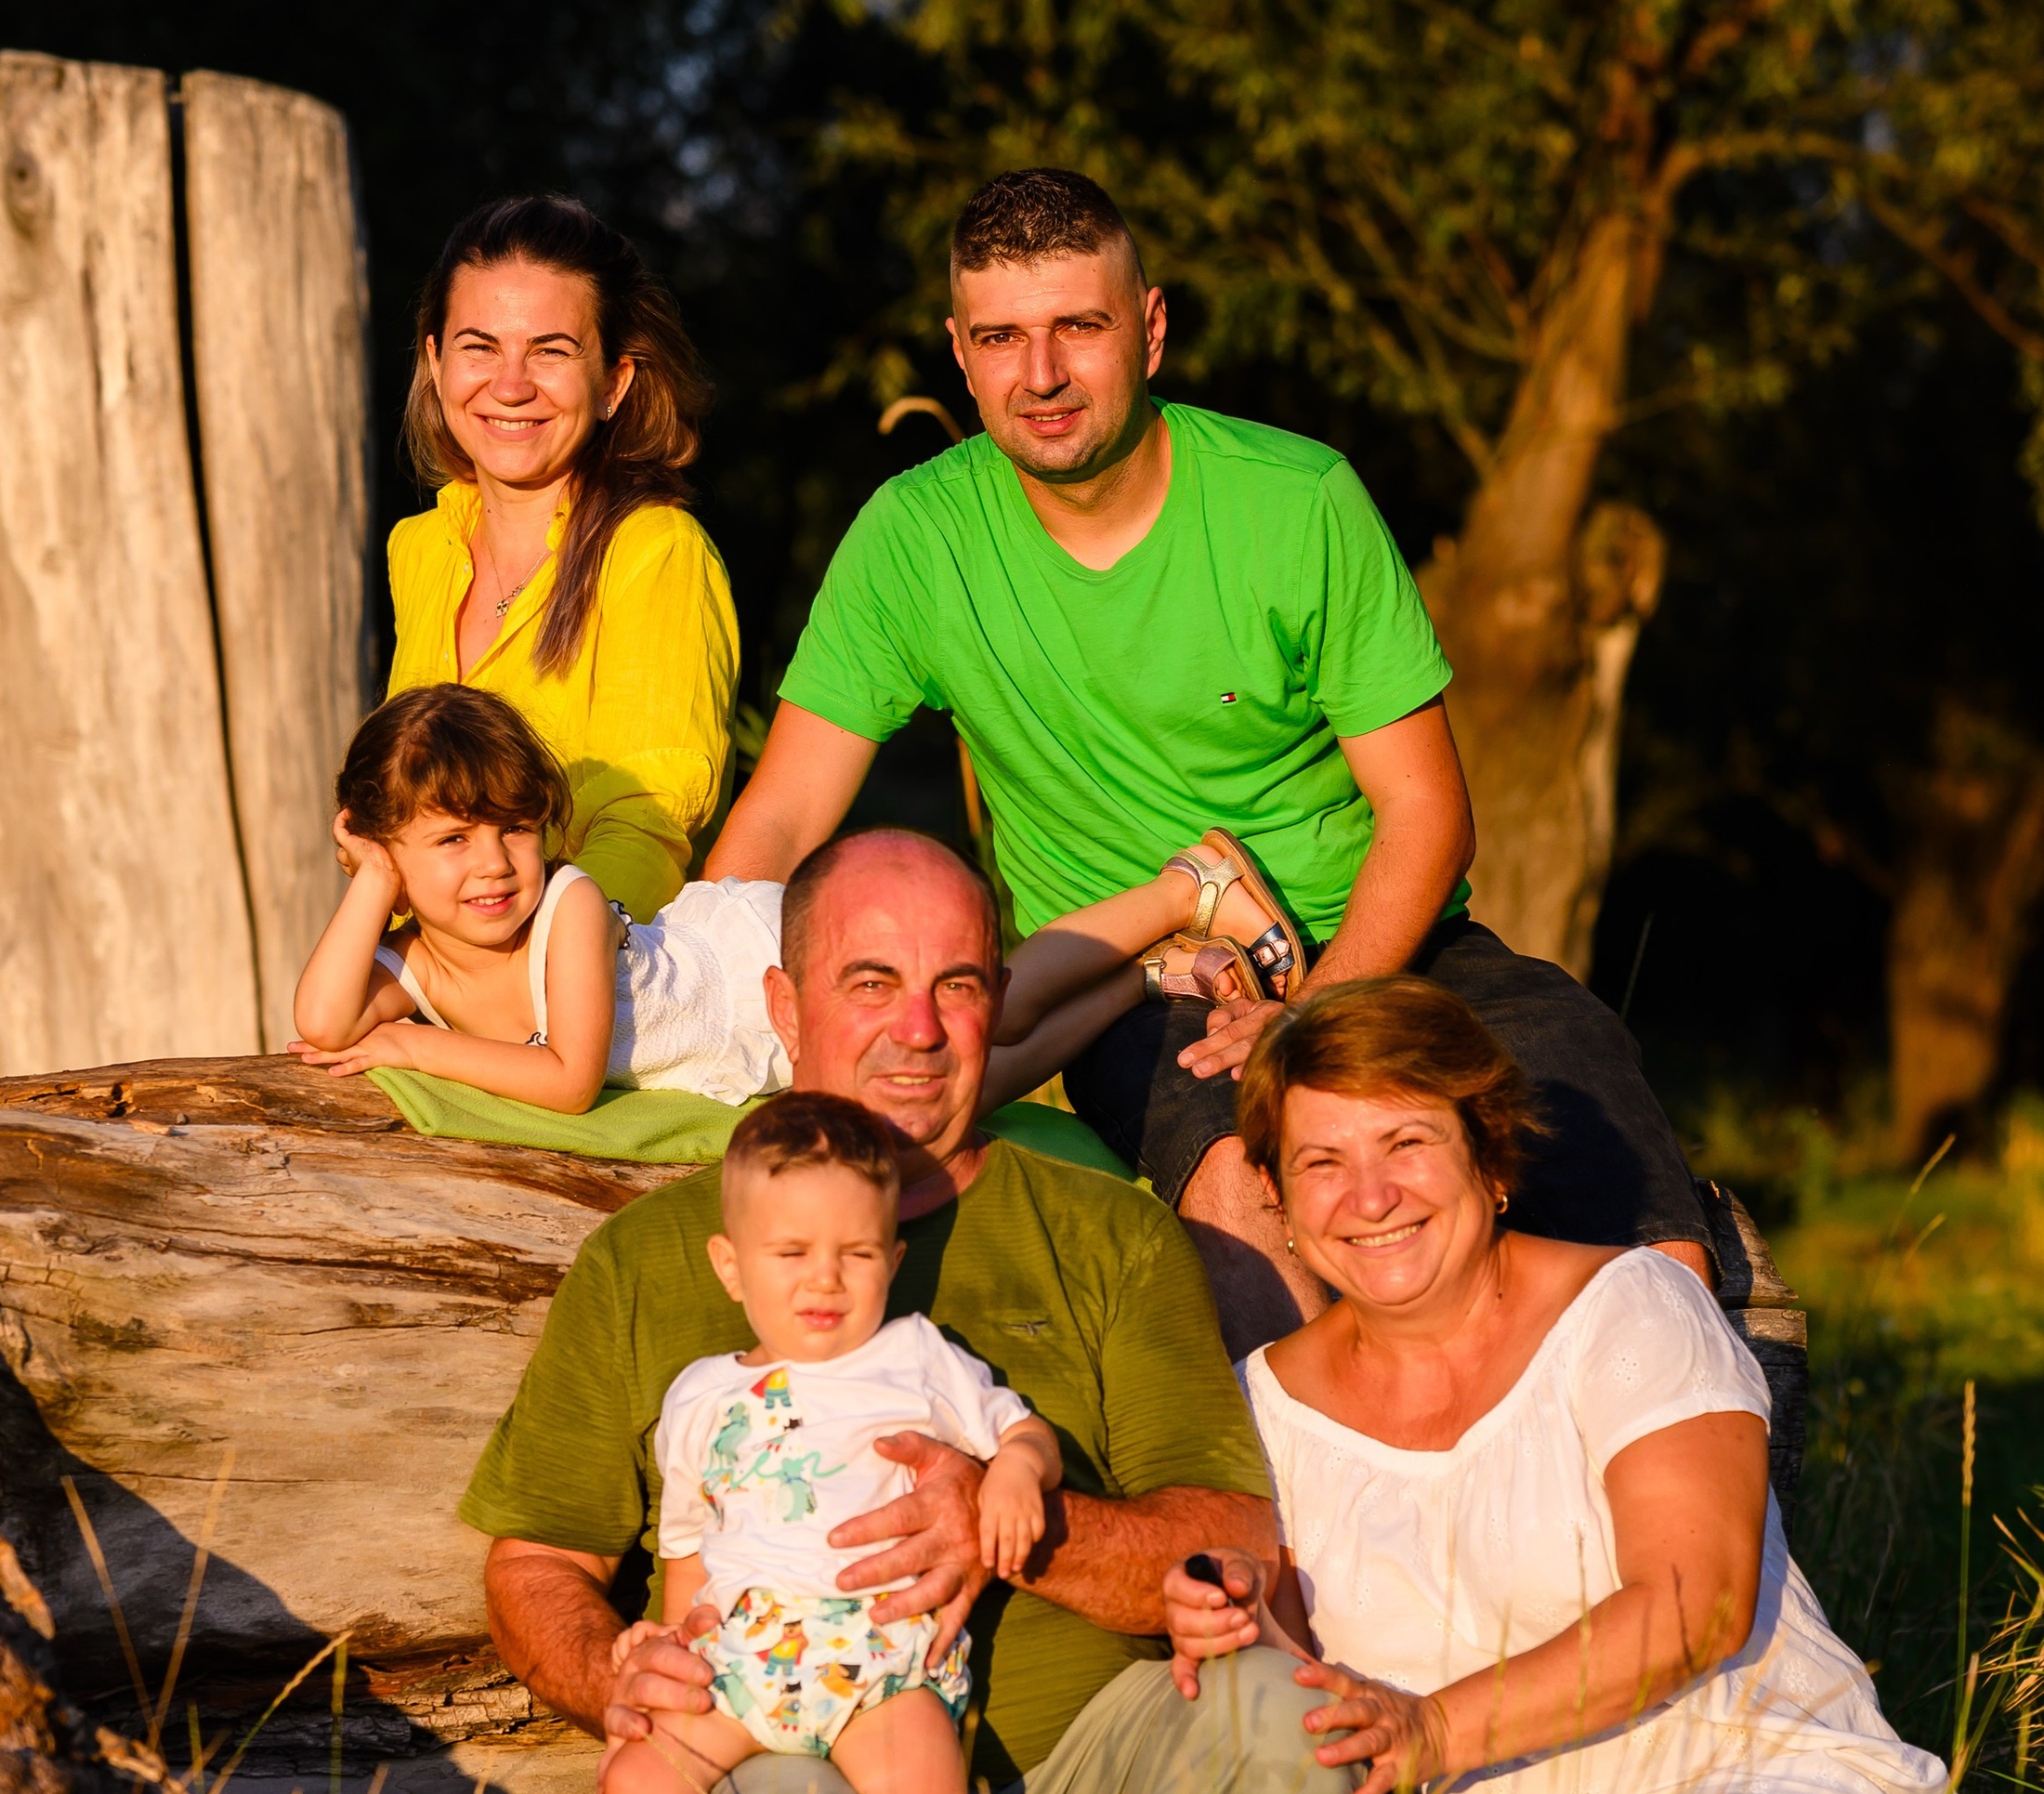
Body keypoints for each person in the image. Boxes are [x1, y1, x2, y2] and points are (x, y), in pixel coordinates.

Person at [706, 165, 1713, 1350]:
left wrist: (1320, 1008)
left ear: (1151, 326)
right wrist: (702, 1008)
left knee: (1593, 1113)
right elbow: (779, 822)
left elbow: (1428, 815)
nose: (1040, 376)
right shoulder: (914, 538)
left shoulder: (1297, 500)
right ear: (959, 353)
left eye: (1078, 328)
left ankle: (1680, 1469)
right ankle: (1296, 1508)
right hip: (1140, 981)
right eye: (1001, 338)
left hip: (1389, 943)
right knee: (1245, 1173)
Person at [463, 825, 1373, 1794]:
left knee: (1283, 1710)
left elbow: (1233, 1532)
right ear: (784, 1008)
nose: (920, 1029)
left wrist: (1021, 1528)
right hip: (802, 1775)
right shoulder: (661, 1257)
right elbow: (538, 1562)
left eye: (957, 984)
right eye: (869, 982)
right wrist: (604, 1665)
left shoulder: (1105, 1235)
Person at [1162, 979, 1959, 1794]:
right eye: (1321, 1162)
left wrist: (1432, 1727)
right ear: (1279, 1197)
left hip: (1722, 1774)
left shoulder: (1630, 1306)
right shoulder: (1262, 1402)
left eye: (1406, 1143)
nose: (1370, 1195)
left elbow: (1698, 1602)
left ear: (1491, 1160)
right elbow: (1300, 1678)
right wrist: (1238, 1614)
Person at [505, 1090, 1061, 1794]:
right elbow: (690, 1543)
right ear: (731, 1264)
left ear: (892, 1260)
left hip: (881, 1655)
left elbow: (1018, 1428)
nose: (825, 1279)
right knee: (635, 1783)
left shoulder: (918, 1358)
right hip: (748, 1653)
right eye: (791, 1251)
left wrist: (1019, 1468)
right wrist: (673, 1644)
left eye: (856, 1253)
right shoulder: (701, 1394)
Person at [292, 683, 1301, 1117]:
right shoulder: (422, 960)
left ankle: (1188, 884)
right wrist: (373, 879)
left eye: (513, 826)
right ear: (389, 853)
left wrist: (412, 1046)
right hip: (764, 1051)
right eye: (451, 840)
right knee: (969, 1085)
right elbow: (324, 1020)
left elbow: (564, 1079)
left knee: (985, 1006)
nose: (494, 864)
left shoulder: (567, 906)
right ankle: (1139, 979)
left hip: (754, 960)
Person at [386, 193, 739, 920]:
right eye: (479, 346)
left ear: (614, 381)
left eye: (550, 351)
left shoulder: (657, 552)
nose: (510, 385)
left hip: (589, 1004)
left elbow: (644, 831)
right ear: (435, 358)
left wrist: (509, 991)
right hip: (426, 990)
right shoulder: (418, 550)